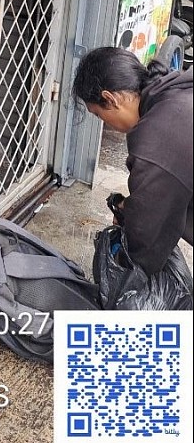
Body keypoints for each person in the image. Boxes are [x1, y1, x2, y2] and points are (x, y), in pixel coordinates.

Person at [72, 46, 193, 275]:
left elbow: (148, 234)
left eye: (98, 114)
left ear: (111, 99)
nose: (103, 122)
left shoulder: (157, 138)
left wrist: (121, 270)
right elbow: (160, 193)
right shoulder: (175, 91)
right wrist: (130, 208)